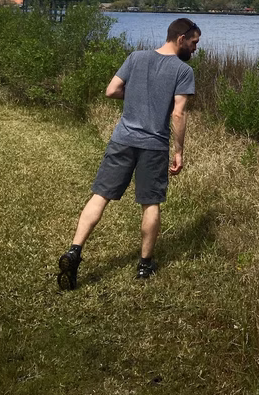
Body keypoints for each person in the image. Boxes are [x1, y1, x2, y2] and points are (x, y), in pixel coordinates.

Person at [57, 18, 201, 290]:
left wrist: (136, 95)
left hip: (122, 139)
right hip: (154, 145)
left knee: (100, 196)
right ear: (181, 38)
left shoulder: (136, 57)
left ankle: (75, 250)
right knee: (151, 203)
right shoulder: (182, 71)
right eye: (194, 43)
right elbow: (178, 113)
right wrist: (179, 150)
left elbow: (111, 90)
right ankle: (145, 266)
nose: (195, 49)